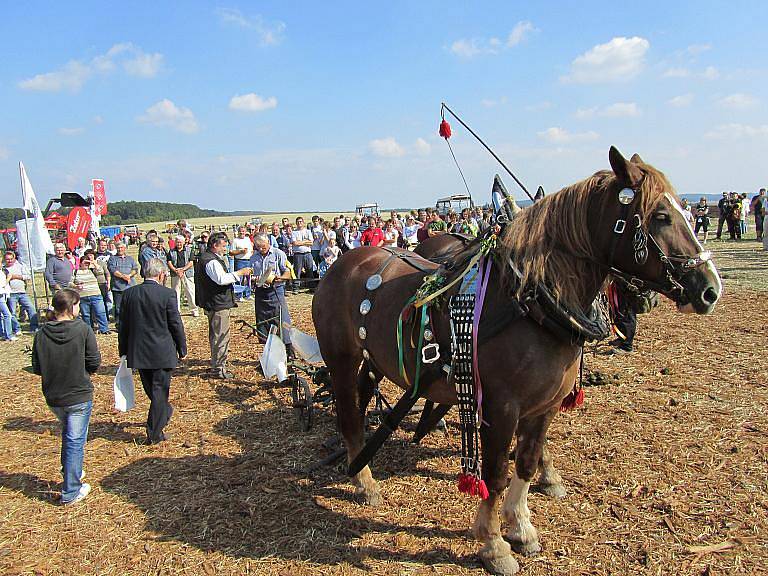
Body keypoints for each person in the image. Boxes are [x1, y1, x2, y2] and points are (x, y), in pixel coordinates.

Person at [32, 289, 101, 505]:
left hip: (54, 394)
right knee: (75, 440)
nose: (79, 309)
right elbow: (94, 361)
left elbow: (36, 367)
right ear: (71, 307)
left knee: (70, 435)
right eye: (78, 305)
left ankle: (71, 470)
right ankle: (71, 491)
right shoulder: (82, 329)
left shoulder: (41, 333)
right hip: (78, 393)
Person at [119, 258, 187, 444]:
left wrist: (123, 349)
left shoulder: (130, 294)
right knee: (159, 393)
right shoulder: (167, 294)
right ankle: (155, 432)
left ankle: (161, 414)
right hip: (161, 351)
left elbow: (123, 325)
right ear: (161, 274)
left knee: (154, 392)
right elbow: (175, 323)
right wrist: (182, 347)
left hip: (139, 352)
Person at [195, 232, 251, 379]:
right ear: (214, 245)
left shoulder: (207, 258)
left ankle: (217, 365)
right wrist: (240, 273)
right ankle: (219, 369)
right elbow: (221, 279)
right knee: (221, 337)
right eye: (223, 246)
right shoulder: (211, 261)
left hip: (213, 303)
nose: (225, 249)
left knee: (216, 335)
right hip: (217, 304)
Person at [250, 234, 293, 354]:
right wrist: (254, 279)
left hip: (276, 291)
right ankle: (269, 352)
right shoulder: (253, 258)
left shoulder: (278, 253)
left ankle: (289, 352)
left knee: (282, 319)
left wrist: (281, 278)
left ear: (268, 242)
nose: (261, 249)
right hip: (260, 293)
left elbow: (287, 272)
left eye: (263, 246)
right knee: (263, 322)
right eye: (258, 247)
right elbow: (249, 275)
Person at [71, 254, 110, 334]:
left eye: (87, 263)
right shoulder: (75, 272)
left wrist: (92, 262)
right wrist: (76, 286)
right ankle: (89, 330)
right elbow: (69, 283)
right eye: (84, 263)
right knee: (86, 315)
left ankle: (104, 329)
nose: (86, 264)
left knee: (100, 312)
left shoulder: (92, 270)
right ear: (80, 263)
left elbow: (100, 271)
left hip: (96, 295)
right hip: (83, 296)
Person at [3, 250, 39, 333]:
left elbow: (28, 276)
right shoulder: (4, 269)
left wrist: (16, 276)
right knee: (12, 312)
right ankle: (17, 329)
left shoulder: (20, 266)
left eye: (11, 259)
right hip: (11, 294)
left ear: (14, 258)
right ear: (5, 259)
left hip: (22, 292)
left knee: (31, 308)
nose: (9, 261)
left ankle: (34, 327)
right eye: (7, 259)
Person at [107, 242, 139, 330]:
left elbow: (135, 269)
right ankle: (119, 325)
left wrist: (129, 276)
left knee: (131, 306)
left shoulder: (130, 259)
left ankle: (131, 324)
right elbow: (112, 270)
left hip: (130, 286)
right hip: (117, 288)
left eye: (122, 248)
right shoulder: (112, 259)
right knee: (118, 308)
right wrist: (123, 276)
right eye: (118, 248)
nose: (120, 249)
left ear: (125, 248)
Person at [167, 235, 199, 317]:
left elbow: (191, 262)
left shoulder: (189, 250)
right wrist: (175, 270)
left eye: (180, 242)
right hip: (175, 273)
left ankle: (194, 309)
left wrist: (183, 270)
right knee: (175, 292)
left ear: (184, 242)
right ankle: (177, 310)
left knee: (190, 291)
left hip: (187, 272)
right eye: (177, 242)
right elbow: (169, 262)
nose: (179, 244)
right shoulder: (171, 251)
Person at [290, 217, 315, 294]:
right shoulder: (294, 232)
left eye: (301, 221)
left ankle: (311, 287)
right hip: (298, 254)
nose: (299, 223)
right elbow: (295, 243)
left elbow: (311, 242)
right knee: (297, 272)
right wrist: (305, 242)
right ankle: (296, 288)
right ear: (296, 223)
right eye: (298, 222)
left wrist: (300, 242)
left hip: (307, 253)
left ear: (303, 223)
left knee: (310, 271)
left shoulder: (308, 231)